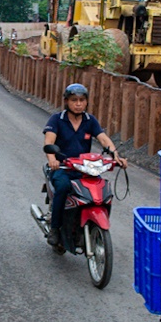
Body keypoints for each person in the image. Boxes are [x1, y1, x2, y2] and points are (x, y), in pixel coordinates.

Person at [43, 82, 126, 247]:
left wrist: (115, 155)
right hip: (63, 168)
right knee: (63, 187)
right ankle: (55, 228)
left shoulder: (90, 120)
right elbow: (49, 141)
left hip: (84, 169)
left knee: (100, 191)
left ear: (87, 102)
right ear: (67, 101)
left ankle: (92, 225)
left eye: (82, 100)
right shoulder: (57, 119)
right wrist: (52, 159)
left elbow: (103, 139)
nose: (78, 104)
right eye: (74, 100)